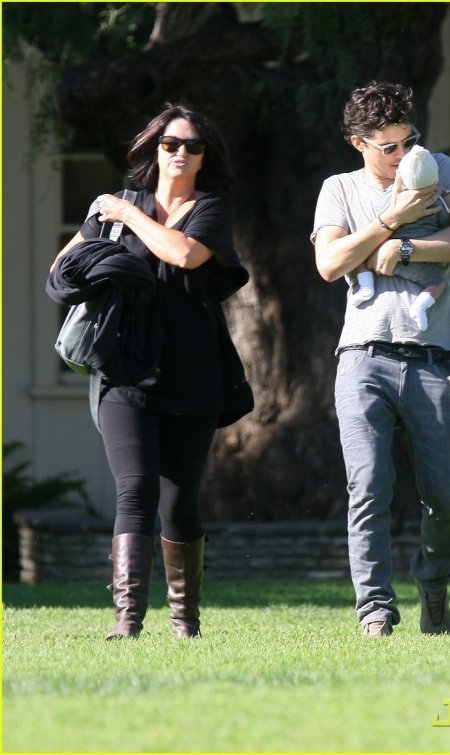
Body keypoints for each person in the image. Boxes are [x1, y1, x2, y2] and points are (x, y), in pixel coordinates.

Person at [50, 103, 253, 640]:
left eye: (192, 145)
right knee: (135, 489)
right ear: (155, 150)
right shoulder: (116, 207)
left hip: (194, 370)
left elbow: (183, 254)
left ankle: (185, 621)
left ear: (205, 157)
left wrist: (127, 214)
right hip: (125, 370)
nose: (181, 152)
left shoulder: (211, 207)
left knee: (179, 502)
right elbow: (61, 269)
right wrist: (103, 258)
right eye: (170, 143)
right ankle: (128, 620)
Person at [311, 81, 450, 637]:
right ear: (357, 143)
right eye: (387, 147)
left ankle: (432, 583)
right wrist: (391, 221)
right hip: (362, 358)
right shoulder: (339, 188)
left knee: (446, 497)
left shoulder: (439, 169)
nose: (402, 154)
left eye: (408, 140)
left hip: (433, 360)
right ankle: (376, 612)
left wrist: (405, 247)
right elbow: (330, 263)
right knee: (368, 487)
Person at [350, 144, 450, 332]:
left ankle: (366, 286)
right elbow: (446, 223)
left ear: (401, 178)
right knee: (438, 284)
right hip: (417, 262)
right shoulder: (437, 201)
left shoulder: (396, 200)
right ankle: (419, 307)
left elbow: (382, 219)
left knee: (357, 252)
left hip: (379, 256)